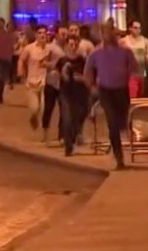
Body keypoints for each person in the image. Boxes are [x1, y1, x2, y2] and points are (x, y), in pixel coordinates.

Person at [86, 23, 138, 170]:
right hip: (105, 91)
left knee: (121, 122)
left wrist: (127, 73)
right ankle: (118, 157)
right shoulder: (96, 53)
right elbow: (88, 71)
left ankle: (120, 137)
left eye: (110, 32)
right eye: (105, 33)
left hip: (121, 90)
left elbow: (135, 67)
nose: (108, 35)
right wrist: (91, 87)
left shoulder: (125, 51)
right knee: (112, 122)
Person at [18, 26, 62, 131]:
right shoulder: (29, 48)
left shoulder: (51, 48)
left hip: (45, 83)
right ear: (36, 35)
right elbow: (21, 60)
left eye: (44, 33)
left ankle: (44, 130)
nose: (42, 35)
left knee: (43, 108)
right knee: (34, 108)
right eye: (40, 33)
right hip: (31, 83)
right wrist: (20, 72)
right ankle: (33, 117)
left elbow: (61, 57)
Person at [59, 42, 90, 157]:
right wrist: (63, 73)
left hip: (80, 94)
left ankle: (73, 138)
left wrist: (81, 78)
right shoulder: (62, 61)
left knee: (77, 118)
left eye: (75, 45)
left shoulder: (84, 60)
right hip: (66, 93)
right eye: (70, 45)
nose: (72, 48)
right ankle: (68, 146)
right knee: (67, 119)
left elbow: (89, 77)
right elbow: (57, 75)